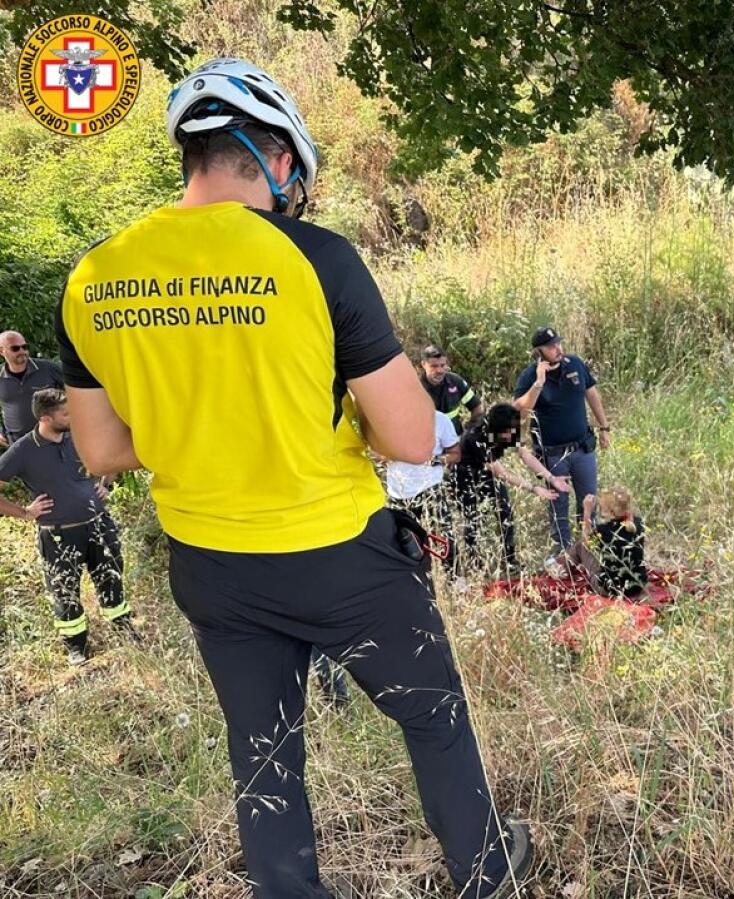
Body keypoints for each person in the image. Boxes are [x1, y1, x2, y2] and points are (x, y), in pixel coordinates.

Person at [55, 58, 529, 898]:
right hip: (339, 551)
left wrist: (195, 420)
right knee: (433, 715)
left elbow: (100, 450)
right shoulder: (314, 258)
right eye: (292, 179)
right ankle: (487, 869)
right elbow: (413, 435)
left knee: (264, 751)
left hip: (210, 561)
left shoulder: (95, 275)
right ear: (274, 156)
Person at [0, 388, 133, 666]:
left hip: (98, 525)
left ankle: (124, 630)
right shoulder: (23, 450)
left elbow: (115, 450)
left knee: (111, 577)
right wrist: (25, 512)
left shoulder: (79, 435)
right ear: (46, 418)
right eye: (66, 413)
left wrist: (106, 483)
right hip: (59, 534)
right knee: (65, 590)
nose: (73, 417)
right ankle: (76, 647)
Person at [512, 326, 611, 554]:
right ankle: (563, 550)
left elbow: (592, 394)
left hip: (582, 446)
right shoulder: (529, 377)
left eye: (558, 343)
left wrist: (604, 427)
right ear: (538, 352)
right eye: (550, 346)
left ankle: (589, 546)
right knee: (559, 504)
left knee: (588, 498)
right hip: (553, 452)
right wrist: (539, 382)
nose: (557, 349)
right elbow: (521, 411)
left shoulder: (574, 364)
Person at [458, 403, 569, 575]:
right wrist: (534, 488)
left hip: (489, 475)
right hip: (467, 477)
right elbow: (502, 473)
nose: (512, 435)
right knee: (473, 520)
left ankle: (509, 560)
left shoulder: (507, 429)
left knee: (506, 513)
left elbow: (525, 455)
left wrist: (551, 478)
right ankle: (475, 564)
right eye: (508, 432)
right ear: (495, 429)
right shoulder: (476, 438)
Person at [386, 409, 462, 568]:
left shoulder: (440, 420)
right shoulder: (389, 419)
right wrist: (399, 453)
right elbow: (375, 453)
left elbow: (455, 454)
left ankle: (455, 581)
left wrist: (435, 459)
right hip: (399, 493)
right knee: (404, 544)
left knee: (444, 539)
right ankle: (416, 584)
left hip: (431, 490)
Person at [556, 487, 648, 599]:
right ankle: (562, 566)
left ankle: (560, 569)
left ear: (610, 512)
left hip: (609, 589)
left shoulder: (605, 530)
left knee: (580, 545)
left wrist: (587, 513)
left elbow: (587, 543)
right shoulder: (638, 523)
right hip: (637, 586)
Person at [0, 331, 64, 447]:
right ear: (1, 351)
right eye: (15, 348)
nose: (22, 352)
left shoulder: (48, 369)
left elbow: (75, 392)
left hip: (52, 440)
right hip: (17, 444)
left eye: (24, 347)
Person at [420, 344, 484, 434]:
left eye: (442, 365)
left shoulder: (456, 381)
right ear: (423, 365)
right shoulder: (416, 389)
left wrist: (470, 431)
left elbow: (476, 407)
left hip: (456, 440)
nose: (439, 370)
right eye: (434, 366)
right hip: (431, 443)